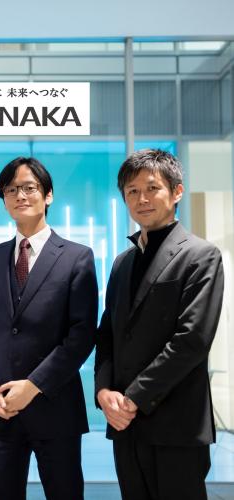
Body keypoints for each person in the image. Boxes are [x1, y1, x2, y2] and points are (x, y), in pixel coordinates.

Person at [95, 149, 224, 500]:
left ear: (177, 191)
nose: (142, 198)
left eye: (152, 188)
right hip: (125, 424)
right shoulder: (122, 262)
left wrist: (133, 398)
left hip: (175, 424)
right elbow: (107, 335)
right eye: (132, 191)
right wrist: (103, 392)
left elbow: (192, 339)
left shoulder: (200, 255)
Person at [0, 157, 98, 500]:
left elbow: (82, 334)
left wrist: (35, 385)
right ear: (4, 199)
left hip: (56, 407)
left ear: (48, 195)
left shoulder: (77, 257)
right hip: (0, 410)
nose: (20, 196)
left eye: (29, 187)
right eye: (11, 190)